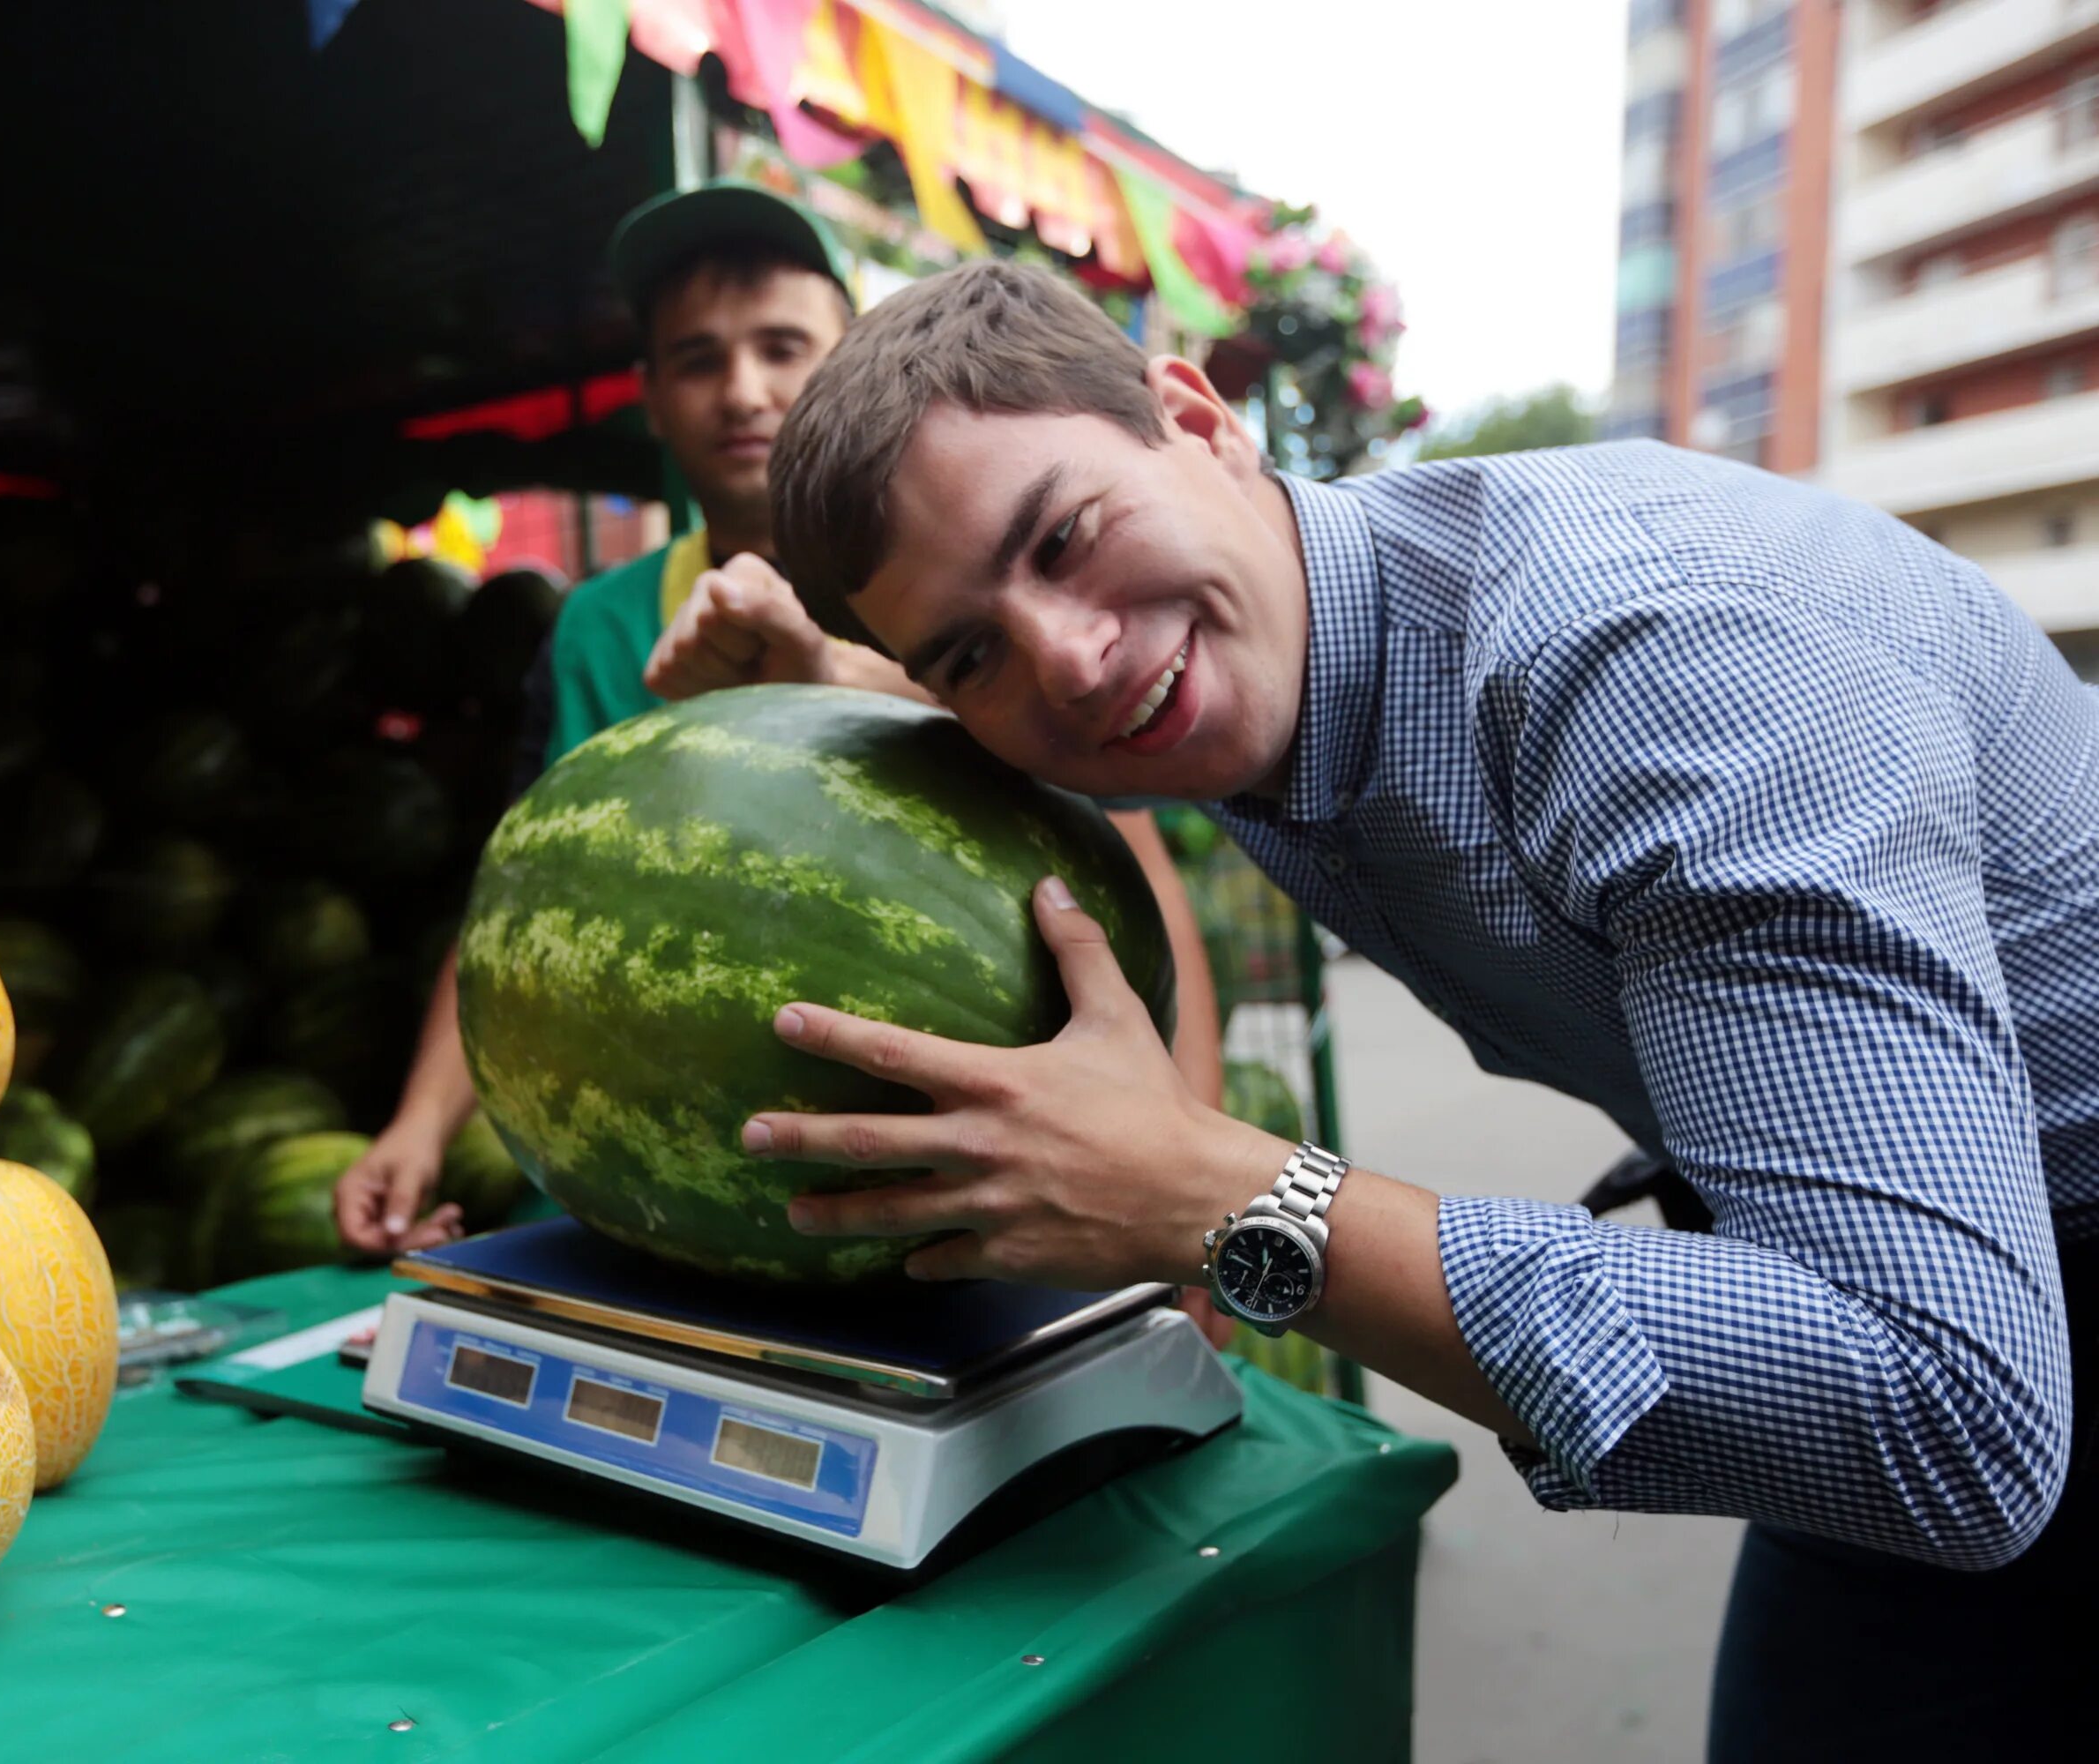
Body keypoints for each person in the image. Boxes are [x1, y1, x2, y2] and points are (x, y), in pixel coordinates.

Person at [734, 257, 2092, 1759]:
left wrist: (1232, 1196)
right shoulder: (1233, 649)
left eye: (1064, 535)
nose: (1069, 657)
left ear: (1198, 419)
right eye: (971, 651)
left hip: (1966, 1313)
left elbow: (1949, 1408)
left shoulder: (1647, 665)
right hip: (1854, 1262)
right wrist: (830, 687)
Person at [334, 191, 1226, 1259]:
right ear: (653, 397)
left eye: (781, 346)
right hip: (649, 1224)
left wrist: (1194, 1178)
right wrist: (419, 1127)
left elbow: (1133, 880)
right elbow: (518, 898)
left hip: (936, 1237)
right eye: (700, 360)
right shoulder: (598, 629)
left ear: (845, 358)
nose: (744, 392)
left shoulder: (953, 609)